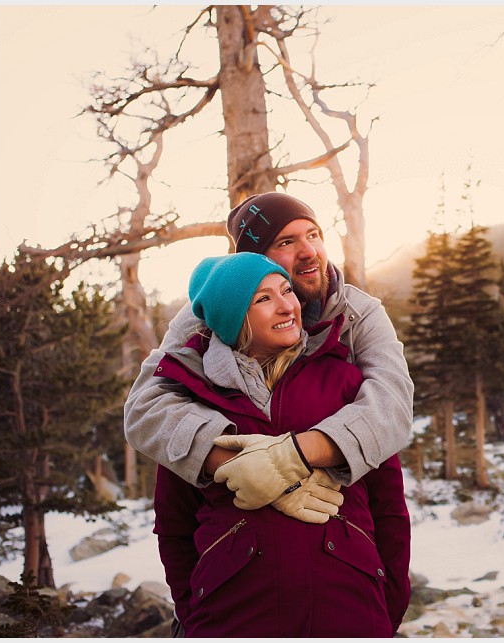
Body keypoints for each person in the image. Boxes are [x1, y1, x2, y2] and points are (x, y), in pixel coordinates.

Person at [153, 253, 411, 636]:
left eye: (286, 290)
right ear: (234, 318)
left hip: (350, 608)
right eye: (263, 299)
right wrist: (195, 610)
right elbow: (174, 524)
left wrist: (385, 608)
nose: (288, 305)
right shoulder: (195, 403)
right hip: (233, 615)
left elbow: (388, 506)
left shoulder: (344, 382)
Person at [124, 192, 413, 511]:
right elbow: (144, 409)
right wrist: (240, 466)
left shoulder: (359, 313)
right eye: (286, 242)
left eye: (313, 235)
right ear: (256, 261)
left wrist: (289, 458)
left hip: (341, 520)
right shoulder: (207, 315)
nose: (309, 252)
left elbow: (392, 407)